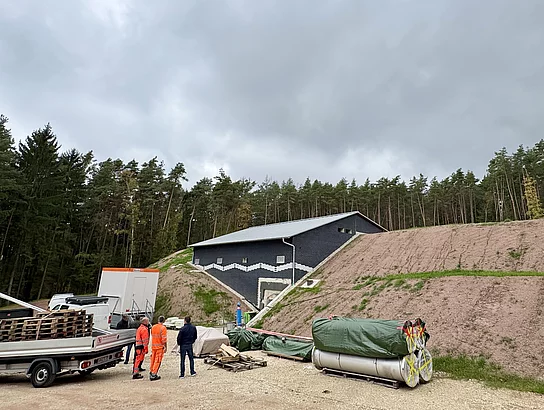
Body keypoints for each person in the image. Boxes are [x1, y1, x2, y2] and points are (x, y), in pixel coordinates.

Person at [149, 316, 167, 381]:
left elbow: (152, 335)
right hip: (159, 347)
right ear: (164, 321)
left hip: (154, 346)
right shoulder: (163, 328)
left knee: (153, 360)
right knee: (157, 361)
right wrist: (165, 347)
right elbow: (164, 339)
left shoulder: (153, 327)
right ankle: (154, 374)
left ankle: (151, 371)